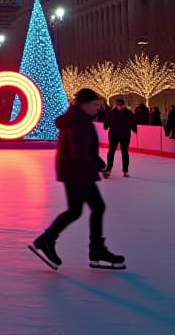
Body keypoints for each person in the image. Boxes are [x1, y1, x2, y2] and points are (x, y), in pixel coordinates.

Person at [30, 88, 126, 271]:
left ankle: (47, 239)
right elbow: (78, 152)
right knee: (97, 207)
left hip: (72, 171)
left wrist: (97, 162)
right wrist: (95, 167)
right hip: (78, 172)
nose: (98, 108)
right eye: (95, 105)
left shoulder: (76, 118)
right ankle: (96, 250)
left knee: (75, 210)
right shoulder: (79, 122)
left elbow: (81, 149)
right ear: (84, 103)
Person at [103, 98, 137, 178]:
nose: (119, 107)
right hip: (113, 134)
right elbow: (107, 119)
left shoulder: (128, 113)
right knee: (111, 151)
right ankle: (108, 169)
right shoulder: (112, 112)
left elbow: (133, 121)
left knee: (124, 152)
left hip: (125, 135)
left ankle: (125, 170)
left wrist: (134, 128)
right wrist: (106, 125)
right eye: (118, 105)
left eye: (120, 105)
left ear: (123, 105)